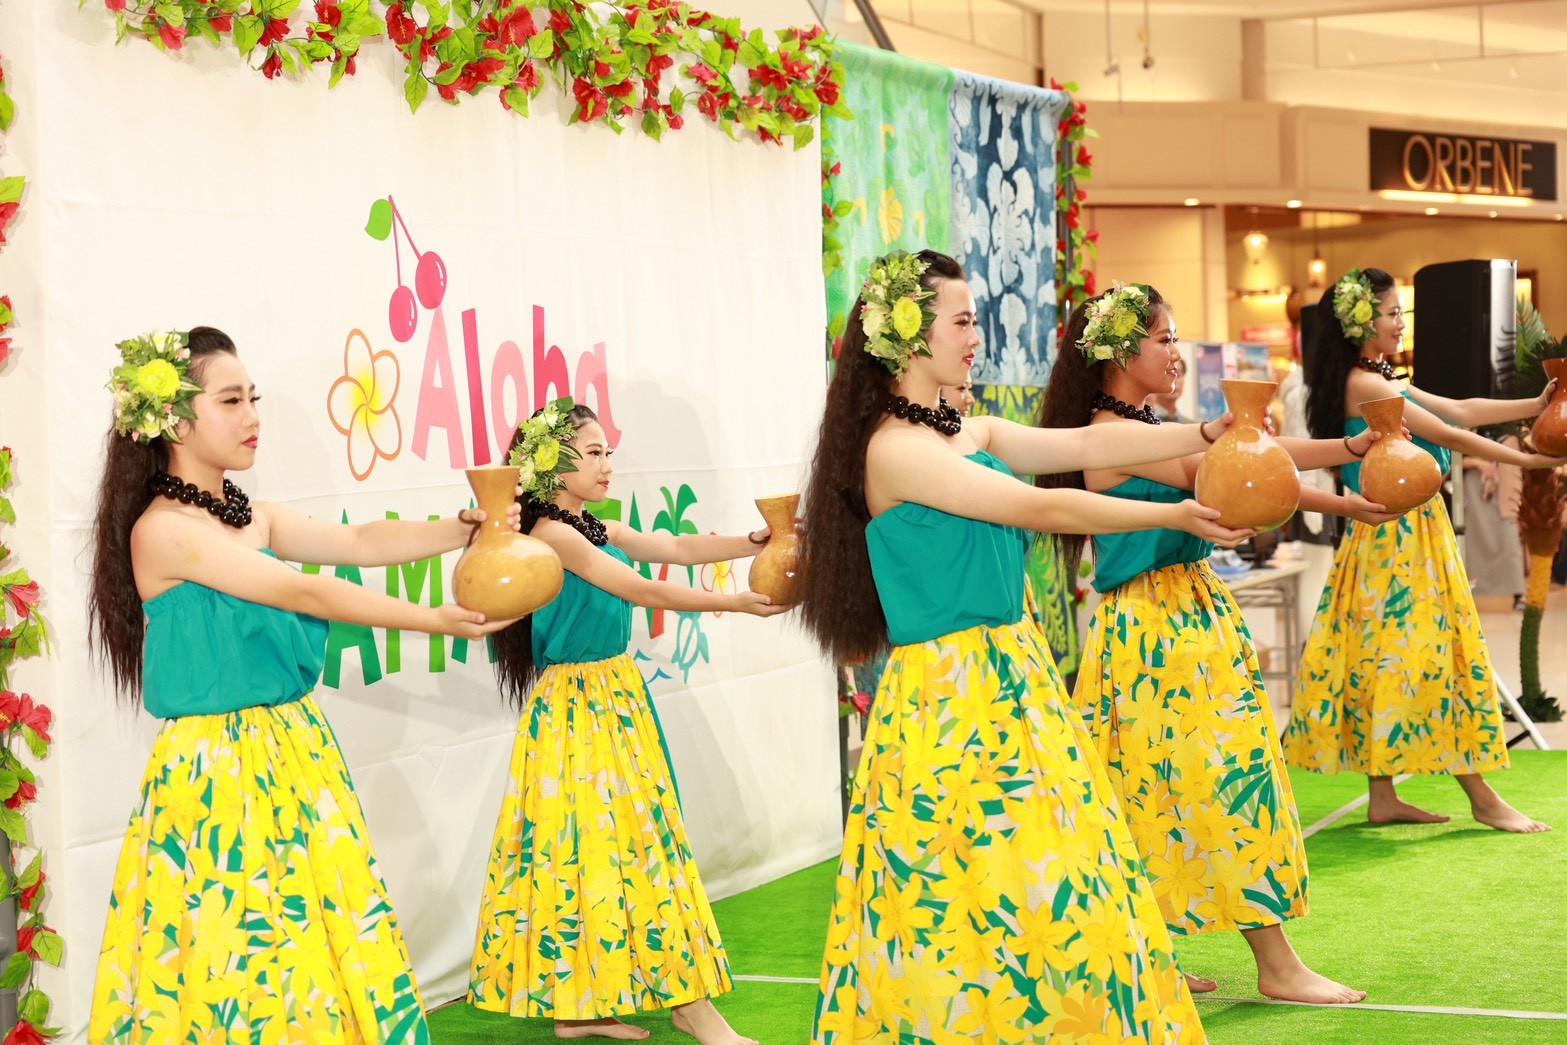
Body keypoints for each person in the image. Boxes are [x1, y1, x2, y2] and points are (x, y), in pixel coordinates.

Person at [798, 249, 1253, 1043]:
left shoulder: (963, 429)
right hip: (947, 698)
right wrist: (1171, 514)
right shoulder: (894, 450)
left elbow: (1082, 447)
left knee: (1056, 870)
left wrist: (1207, 430)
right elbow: (1038, 507)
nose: (976, 335)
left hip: (1014, 675)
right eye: (962, 320)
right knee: (964, 886)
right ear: (908, 334)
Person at [86, 327, 516, 1043]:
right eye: (231, 400)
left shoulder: (250, 517)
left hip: (294, 753)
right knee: (240, 953)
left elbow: (358, 542)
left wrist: (459, 529)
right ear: (174, 421)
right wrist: (436, 619)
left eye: (253, 398)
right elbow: (302, 590)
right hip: (216, 774)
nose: (252, 415)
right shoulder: (162, 532)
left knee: (313, 941)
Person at [1037, 283, 1402, 1005]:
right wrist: (1341, 474)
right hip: (1153, 634)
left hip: (1185, 616)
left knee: (1168, 790)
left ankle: (1160, 956)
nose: (1175, 352)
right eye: (1163, 339)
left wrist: (1346, 458)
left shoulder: (1148, 423)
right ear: (1119, 351)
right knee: (1219, 783)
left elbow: (1246, 455)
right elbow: (1227, 470)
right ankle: (1274, 963)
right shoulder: (1112, 432)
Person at [468, 399, 786, 1044]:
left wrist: (750, 542)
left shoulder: (587, 525)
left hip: (610, 697)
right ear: (553, 463)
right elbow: (642, 588)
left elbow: (674, 546)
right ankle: (690, 1007)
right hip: (579, 709)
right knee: (624, 848)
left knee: (602, 848)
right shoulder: (555, 536)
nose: (608, 463)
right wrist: (733, 602)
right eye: (594, 453)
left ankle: (578, 1009)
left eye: (607, 451)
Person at [1284, 267, 1565, 832]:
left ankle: (1383, 795)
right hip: (1396, 538)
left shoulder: (1377, 376)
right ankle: (1482, 797)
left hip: (1402, 535)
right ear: (1362, 323)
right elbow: (1451, 435)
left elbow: (1459, 409)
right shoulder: (1368, 386)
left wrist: (1535, 404)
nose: (1400, 323)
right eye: (1392, 313)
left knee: (1387, 658)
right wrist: (1530, 459)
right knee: (1425, 658)